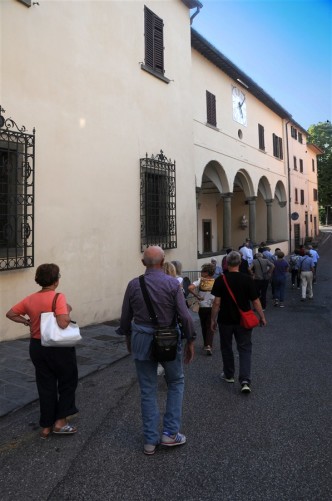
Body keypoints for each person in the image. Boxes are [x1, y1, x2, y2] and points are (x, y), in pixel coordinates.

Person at [118, 246, 196, 456]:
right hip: (168, 340)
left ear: (144, 263)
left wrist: (128, 337)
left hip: (141, 339)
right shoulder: (172, 284)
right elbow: (185, 316)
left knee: (147, 388)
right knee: (176, 382)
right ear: (163, 262)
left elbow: (125, 316)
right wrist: (190, 340)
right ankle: (170, 433)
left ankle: (150, 440)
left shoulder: (134, 285)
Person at [6, 263, 78, 439]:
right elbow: (62, 323)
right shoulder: (58, 297)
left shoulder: (30, 298)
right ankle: (60, 422)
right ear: (56, 280)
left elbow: (10, 313)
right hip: (58, 347)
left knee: (45, 386)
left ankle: (46, 426)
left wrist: (27, 322)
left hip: (37, 347)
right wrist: (67, 310)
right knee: (68, 382)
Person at [211, 251, 266, 394]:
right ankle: (245, 380)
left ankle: (229, 375)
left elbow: (216, 303)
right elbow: (255, 300)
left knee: (226, 347)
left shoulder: (220, 280)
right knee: (245, 349)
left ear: (227, 263)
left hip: (225, 320)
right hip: (243, 320)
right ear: (240, 263)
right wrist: (261, 316)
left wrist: (213, 319)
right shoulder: (247, 279)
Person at [188, 263, 215, 356]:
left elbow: (190, 287)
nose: (201, 273)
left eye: (203, 271)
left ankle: (205, 344)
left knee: (204, 325)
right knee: (211, 325)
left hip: (202, 306)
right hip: (213, 306)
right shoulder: (216, 281)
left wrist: (197, 296)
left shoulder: (200, 280)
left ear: (207, 273)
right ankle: (209, 345)